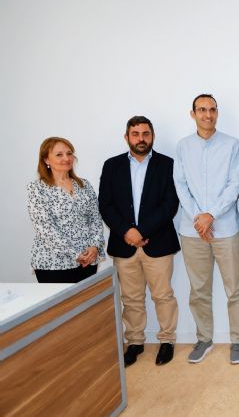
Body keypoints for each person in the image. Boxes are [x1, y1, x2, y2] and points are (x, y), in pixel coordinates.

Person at [99, 116, 180, 367]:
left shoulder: (167, 165)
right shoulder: (112, 166)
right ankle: (134, 342)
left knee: (163, 295)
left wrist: (142, 230)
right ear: (127, 137)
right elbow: (106, 204)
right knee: (131, 298)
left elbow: (170, 204)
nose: (141, 138)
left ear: (152, 136)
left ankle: (167, 341)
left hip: (158, 242)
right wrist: (127, 231)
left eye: (146, 133)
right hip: (124, 245)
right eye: (136, 134)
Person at [174, 94, 239, 364]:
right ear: (192, 113)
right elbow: (181, 186)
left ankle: (238, 340)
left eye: (212, 110)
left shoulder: (232, 145)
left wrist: (211, 215)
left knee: (234, 289)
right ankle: (204, 339)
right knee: (199, 290)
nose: (208, 114)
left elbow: (234, 185)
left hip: (225, 229)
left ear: (218, 113)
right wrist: (199, 218)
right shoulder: (183, 147)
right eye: (202, 110)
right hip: (192, 231)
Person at [27, 137, 105, 283]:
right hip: (53, 264)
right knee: (62, 307)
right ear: (46, 160)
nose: (66, 158)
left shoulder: (84, 185)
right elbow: (45, 229)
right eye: (59, 154)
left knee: (88, 305)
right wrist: (75, 254)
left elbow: (95, 218)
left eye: (69, 153)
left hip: (88, 260)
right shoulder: (37, 189)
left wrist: (94, 246)